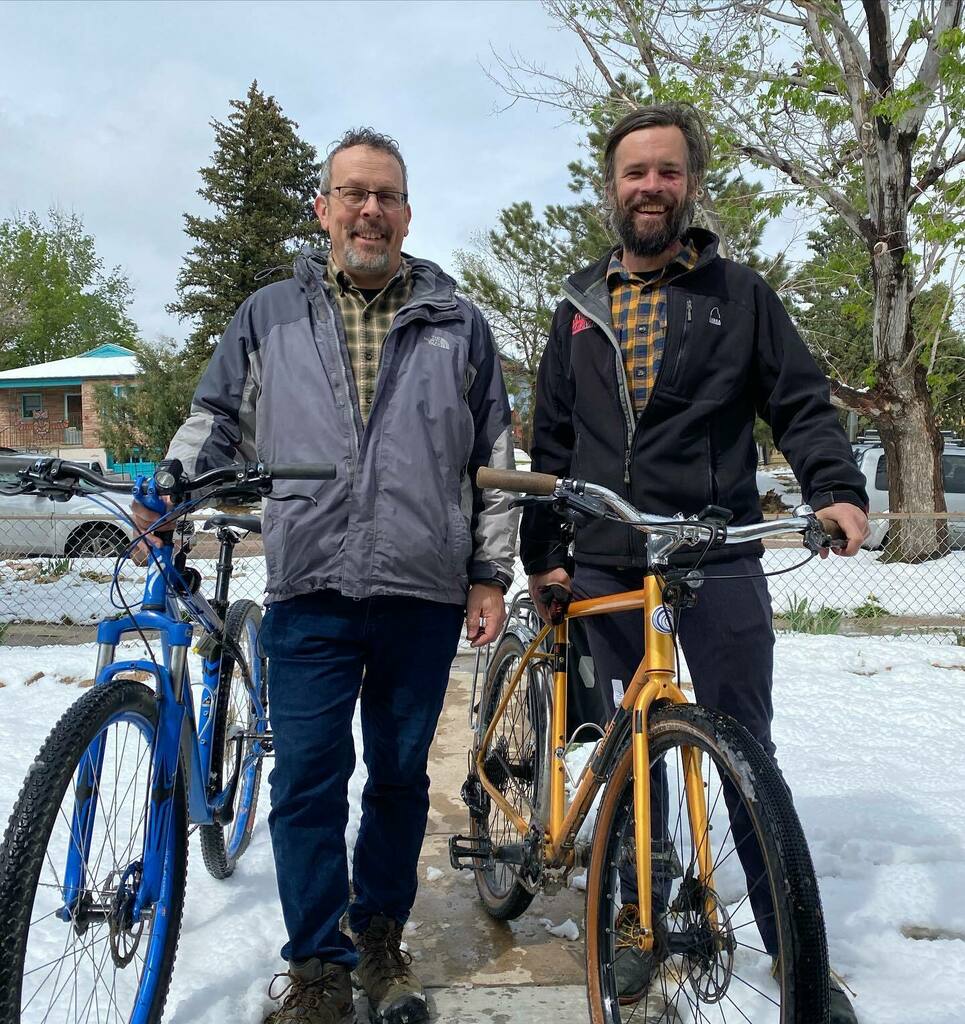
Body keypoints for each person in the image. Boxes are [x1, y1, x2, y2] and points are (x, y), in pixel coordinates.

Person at [133, 128, 516, 1024]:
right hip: (308, 585)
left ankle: (379, 935)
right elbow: (215, 416)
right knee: (305, 777)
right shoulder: (270, 312)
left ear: (408, 211)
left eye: (385, 194)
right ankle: (317, 966)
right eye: (352, 193)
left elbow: (492, 454)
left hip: (421, 592)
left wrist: (490, 571)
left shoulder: (459, 322)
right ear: (324, 208)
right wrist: (174, 486)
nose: (369, 209)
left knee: (396, 778)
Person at [520, 103, 867, 1024]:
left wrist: (835, 488)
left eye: (667, 172)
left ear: (689, 184)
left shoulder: (739, 295)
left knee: (744, 753)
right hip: (603, 560)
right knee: (629, 750)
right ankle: (635, 925)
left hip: (713, 554)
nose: (650, 187)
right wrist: (542, 557)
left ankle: (797, 956)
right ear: (611, 187)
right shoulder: (578, 307)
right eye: (635, 172)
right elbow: (549, 443)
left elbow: (799, 403)